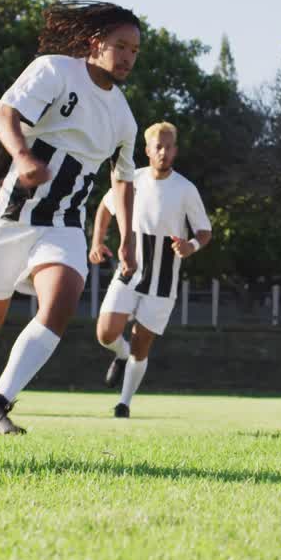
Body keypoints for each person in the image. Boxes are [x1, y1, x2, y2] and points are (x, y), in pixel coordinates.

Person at [0, 1, 142, 434]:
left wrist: (126, 238)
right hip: (3, 214)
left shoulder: (124, 119)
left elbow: (122, 181)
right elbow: (6, 114)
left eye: (134, 51)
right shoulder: (54, 71)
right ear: (95, 43)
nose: (127, 57)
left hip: (62, 223)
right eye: (119, 46)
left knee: (60, 303)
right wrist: (24, 156)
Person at [91, 122, 212, 418]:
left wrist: (191, 246)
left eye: (169, 147)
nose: (164, 152)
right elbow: (106, 208)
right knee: (106, 333)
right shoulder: (131, 179)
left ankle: (124, 403)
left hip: (164, 276)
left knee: (142, 341)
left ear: (176, 150)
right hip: (130, 268)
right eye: (158, 147)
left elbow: (204, 231)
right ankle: (119, 355)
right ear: (147, 150)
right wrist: (96, 242)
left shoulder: (186, 188)